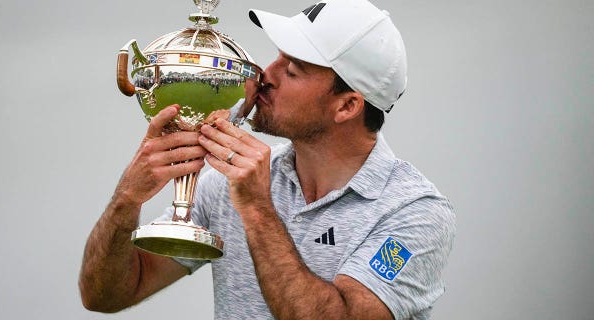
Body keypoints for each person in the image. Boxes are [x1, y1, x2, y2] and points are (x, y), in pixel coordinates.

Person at [79, 0, 456, 319]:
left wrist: (258, 209)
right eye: (277, 58)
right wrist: (126, 200)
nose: (265, 75)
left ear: (347, 105)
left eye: (292, 69)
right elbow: (106, 296)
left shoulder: (415, 212)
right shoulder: (229, 182)